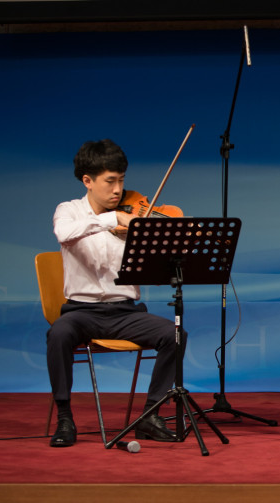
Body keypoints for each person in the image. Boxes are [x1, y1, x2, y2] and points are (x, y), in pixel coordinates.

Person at [46, 139, 183, 447]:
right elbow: (63, 234)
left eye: (121, 180)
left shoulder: (137, 219)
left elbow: (157, 269)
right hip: (81, 312)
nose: (118, 190)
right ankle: (65, 418)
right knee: (58, 334)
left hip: (125, 312)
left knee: (175, 334)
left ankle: (150, 415)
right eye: (110, 181)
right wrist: (114, 218)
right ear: (88, 180)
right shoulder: (69, 211)